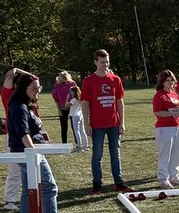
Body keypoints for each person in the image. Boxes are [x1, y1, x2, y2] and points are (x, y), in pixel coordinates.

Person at [6, 71, 59, 213]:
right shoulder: (19, 106)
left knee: (28, 189)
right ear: (23, 88)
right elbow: (23, 133)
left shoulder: (24, 103)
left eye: (39, 87)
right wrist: (34, 152)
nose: (38, 90)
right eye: (34, 88)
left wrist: (44, 140)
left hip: (26, 152)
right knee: (50, 188)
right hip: (27, 153)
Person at [81, 49, 132, 194]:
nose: (105, 65)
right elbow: (85, 104)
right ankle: (97, 184)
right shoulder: (89, 81)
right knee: (97, 155)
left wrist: (122, 122)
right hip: (97, 125)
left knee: (115, 153)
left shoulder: (115, 79)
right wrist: (86, 124)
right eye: (102, 62)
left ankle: (119, 182)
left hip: (114, 124)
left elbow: (120, 101)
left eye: (107, 62)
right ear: (95, 62)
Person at [152, 69, 179, 189]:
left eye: (172, 80)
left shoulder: (174, 94)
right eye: (167, 80)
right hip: (164, 128)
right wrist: (172, 112)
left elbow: (178, 108)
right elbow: (157, 112)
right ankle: (163, 178)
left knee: (177, 153)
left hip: (177, 126)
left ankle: (174, 176)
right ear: (162, 82)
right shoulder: (159, 95)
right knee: (165, 154)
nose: (170, 82)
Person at [1, 66, 28, 211]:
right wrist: (14, 70)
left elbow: (35, 79)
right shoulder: (9, 96)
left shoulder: (29, 97)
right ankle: (10, 201)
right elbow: (9, 78)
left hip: (29, 137)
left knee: (31, 170)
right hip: (14, 138)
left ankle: (29, 197)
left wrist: (19, 70)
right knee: (15, 171)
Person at [51, 70, 78, 143]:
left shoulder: (72, 83)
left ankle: (78, 143)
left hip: (72, 107)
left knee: (75, 127)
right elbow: (55, 97)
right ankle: (64, 143)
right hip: (62, 107)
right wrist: (58, 109)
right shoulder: (57, 85)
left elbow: (76, 94)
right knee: (64, 127)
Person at [67, 84, 88, 151]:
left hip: (75, 116)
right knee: (82, 130)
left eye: (71, 92)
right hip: (80, 115)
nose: (70, 93)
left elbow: (66, 105)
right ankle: (85, 146)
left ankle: (79, 146)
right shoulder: (80, 98)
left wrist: (67, 98)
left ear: (73, 92)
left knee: (77, 131)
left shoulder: (73, 99)